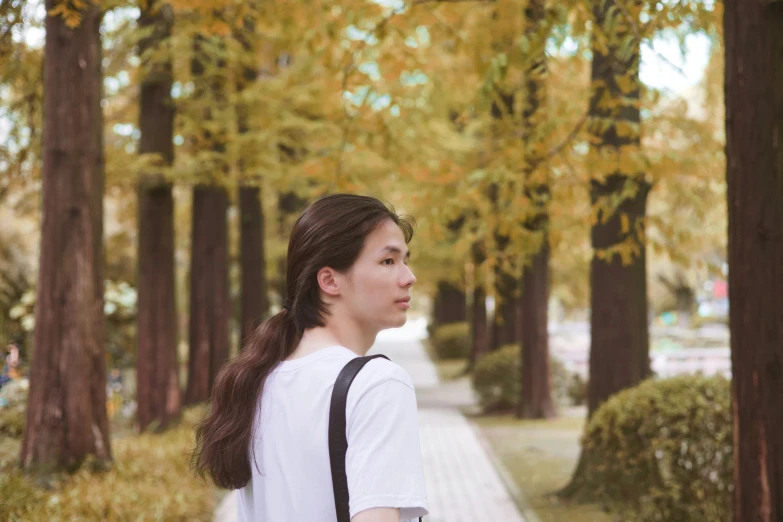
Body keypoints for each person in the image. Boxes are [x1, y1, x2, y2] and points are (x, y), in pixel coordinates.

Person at [192, 194, 428, 522]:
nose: (408, 276)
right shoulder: (376, 385)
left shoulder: (258, 381)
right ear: (330, 280)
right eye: (388, 261)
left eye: (405, 260)